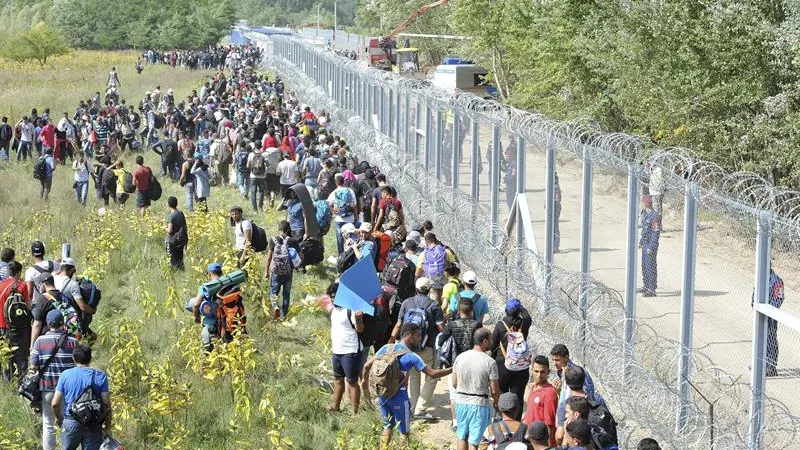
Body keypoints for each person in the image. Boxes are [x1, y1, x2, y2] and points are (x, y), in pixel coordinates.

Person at [362, 322, 452, 446]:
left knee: (387, 427)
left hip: (383, 394)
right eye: (418, 336)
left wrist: (365, 384)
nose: (420, 339)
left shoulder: (386, 348)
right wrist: (453, 369)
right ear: (409, 336)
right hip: (399, 397)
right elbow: (433, 374)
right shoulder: (412, 356)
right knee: (404, 433)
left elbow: (366, 366)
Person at [388, 277, 445, 419]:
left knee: (413, 376)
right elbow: (441, 327)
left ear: (416, 288)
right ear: (429, 290)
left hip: (408, 347)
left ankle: (414, 407)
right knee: (431, 378)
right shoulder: (434, 306)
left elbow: (399, 324)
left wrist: (392, 341)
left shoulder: (407, 303)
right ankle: (420, 408)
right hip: (427, 347)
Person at [30, 309, 79, 450]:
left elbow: (34, 366)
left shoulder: (39, 342)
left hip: (47, 388)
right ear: (62, 323)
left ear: (48, 323)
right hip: (69, 390)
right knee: (69, 423)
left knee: (48, 424)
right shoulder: (73, 342)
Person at [52, 344, 112, 449]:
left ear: (73, 359)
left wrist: (59, 418)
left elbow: (55, 403)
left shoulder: (65, 375)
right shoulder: (100, 376)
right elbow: (106, 404)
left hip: (71, 421)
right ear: (91, 359)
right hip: (93, 423)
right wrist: (108, 425)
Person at [453, 328, 500, 450]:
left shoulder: (460, 357)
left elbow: (454, 383)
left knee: (462, 436)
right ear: (485, 341)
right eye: (490, 340)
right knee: (476, 441)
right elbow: (494, 390)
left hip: (461, 402)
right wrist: (496, 403)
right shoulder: (489, 362)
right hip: (479, 404)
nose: (491, 342)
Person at [440, 298, 480, 431]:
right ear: (472, 311)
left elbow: (441, 340)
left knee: (454, 392)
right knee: (471, 391)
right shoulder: (477, 325)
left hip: (455, 363)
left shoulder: (452, 325)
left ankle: (456, 421)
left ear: (458, 310)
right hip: (473, 362)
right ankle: (471, 419)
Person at [327, 281, 365, 415]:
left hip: (350, 351)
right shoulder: (334, 310)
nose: (332, 299)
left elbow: (360, 330)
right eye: (331, 296)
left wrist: (359, 319)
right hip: (337, 351)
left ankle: (355, 413)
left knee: (352, 382)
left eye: (334, 296)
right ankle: (335, 406)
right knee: (338, 379)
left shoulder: (351, 310)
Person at [550, 344, 596, 443]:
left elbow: (586, 394)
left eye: (557, 360)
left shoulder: (577, 373)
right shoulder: (561, 371)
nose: (554, 363)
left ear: (566, 357)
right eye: (553, 360)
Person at [0, 261, 31, 381]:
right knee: (21, 357)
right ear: (19, 272)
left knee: (6, 357)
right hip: (19, 327)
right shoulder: (22, 286)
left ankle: (8, 383)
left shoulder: (1, 286)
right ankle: (22, 384)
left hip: (2, 326)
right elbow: (28, 306)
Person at [52, 258, 96, 341]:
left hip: (53, 315)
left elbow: (54, 272)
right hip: (68, 319)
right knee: (91, 337)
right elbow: (82, 306)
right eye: (74, 270)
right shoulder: (72, 284)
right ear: (71, 269)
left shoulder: (53, 278)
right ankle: (82, 352)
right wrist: (92, 310)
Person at [265, 221, 298, 320]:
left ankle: (275, 307)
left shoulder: (273, 240)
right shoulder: (292, 240)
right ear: (288, 229)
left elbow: (269, 258)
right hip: (288, 271)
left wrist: (266, 271)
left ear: (278, 229)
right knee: (286, 294)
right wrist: (295, 264)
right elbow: (301, 255)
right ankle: (283, 315)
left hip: (276, 271)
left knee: (273, 292)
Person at [523, 355, 559, 447]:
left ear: (548, 372)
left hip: (541, 443)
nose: (539, 375)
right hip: (530, 440)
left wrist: (549, 447)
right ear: (532, 371)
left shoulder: (550, 393)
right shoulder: (533, 388)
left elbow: (549, 424)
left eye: (542, 372)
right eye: (536, 371)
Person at [415, 232, 456, 303]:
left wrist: (418, 277)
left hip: (431, 282)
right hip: (444, 281)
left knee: (434, 300)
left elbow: (418, 271)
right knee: (445, 300)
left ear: (426, 242)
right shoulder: (446, 251)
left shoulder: (423, 254)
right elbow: (454, 265)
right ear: (435, 240)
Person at [192, 263, 223, 351]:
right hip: (230, 323)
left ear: (209, 274)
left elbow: (196, 304)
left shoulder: (206, 287)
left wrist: (196, 316)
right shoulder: (229, 284)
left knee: (208, 352)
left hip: (212, 326)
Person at [327, 174, 357, 255]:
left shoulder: (334, 192)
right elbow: (354, 205)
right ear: (344, 182)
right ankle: (351, 254)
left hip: (339, 219)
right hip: (350, 218)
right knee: (351, 237)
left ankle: (341, 256)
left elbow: (327, 203)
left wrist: (333, 210)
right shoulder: (350, 191)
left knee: (340, 239)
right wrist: (355, 217)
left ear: (336, 183)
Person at [639, 195, 661, 297]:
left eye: (642, 202)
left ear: (646, 203)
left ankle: (652, 289)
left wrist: (651, 247)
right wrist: (641, 242)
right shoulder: (645, 214)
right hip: (645, 243)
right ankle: (646, 285)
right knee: (644, 266)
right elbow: (644, 231)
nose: (641, 204)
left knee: (650, 267)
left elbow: (655, 233)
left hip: (650, 245)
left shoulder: (654, 216)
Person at [165, 196, 188, 271]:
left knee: (171, 261)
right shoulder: (180, 214)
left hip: (172, 241)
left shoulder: (171, 216)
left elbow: (170, 230)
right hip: (180, 241)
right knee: (180, 260)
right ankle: (181, 273)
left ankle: (173, 274)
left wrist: (164, 228)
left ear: (168, 205)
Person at [248, 147, 268, 212]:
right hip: (261, 176)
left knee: (253, 192)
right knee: (261, 192)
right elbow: (268, 164)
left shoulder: (251, 154)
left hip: (253, 176)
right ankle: (260, 207)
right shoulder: (264, 154)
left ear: (255, 147)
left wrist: (252, 168)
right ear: (261, 146)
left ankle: (255, 209)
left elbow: (248, 165)